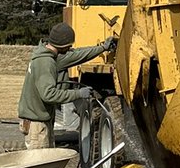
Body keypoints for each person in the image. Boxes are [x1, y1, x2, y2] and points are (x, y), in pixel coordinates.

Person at [18, 22, 115, 150]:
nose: (70, 48)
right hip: (37, 125)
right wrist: (79, 93)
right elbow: (49, 94)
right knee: (40, 165)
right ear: (62, 45)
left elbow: (79, 54)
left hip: (39, 122)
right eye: (69, 46)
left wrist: (102, 47)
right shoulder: (47, 62)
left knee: (46, 164)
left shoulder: (47, 55)